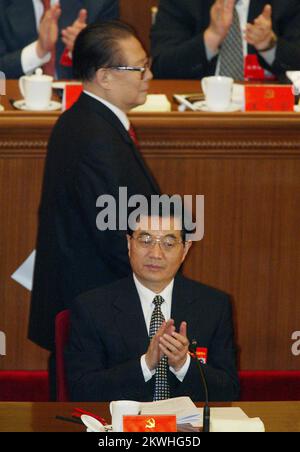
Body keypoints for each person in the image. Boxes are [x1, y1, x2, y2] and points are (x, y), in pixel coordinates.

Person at [28, 21, 160, 397]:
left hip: (91, 310)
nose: (149, 75)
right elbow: (115, 236)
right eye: (140, 67)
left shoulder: (85, 121)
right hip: (100, 319)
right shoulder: (95, 137)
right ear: (104, 76)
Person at [65, 200, 240, 402]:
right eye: (145, 240)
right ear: (129, 244)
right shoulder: (91, 308)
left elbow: (229, 390)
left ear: (185, 249)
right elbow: (81, 390)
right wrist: (146, 365)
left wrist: (183, 365)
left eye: (168, 243)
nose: (155, 254)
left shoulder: (214, 306)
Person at [151, 0, 300, 81]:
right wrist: (211, 37)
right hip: (198, 112)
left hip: (268, 113)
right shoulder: (184, 3)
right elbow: (161, 67)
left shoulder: (286, 4)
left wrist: (270, 45)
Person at [0, 0, 119, 78]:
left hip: (81, 108)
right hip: (12, 105)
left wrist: (85, 48)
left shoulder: (99, 3)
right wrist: (38, 51)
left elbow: (114, 70)